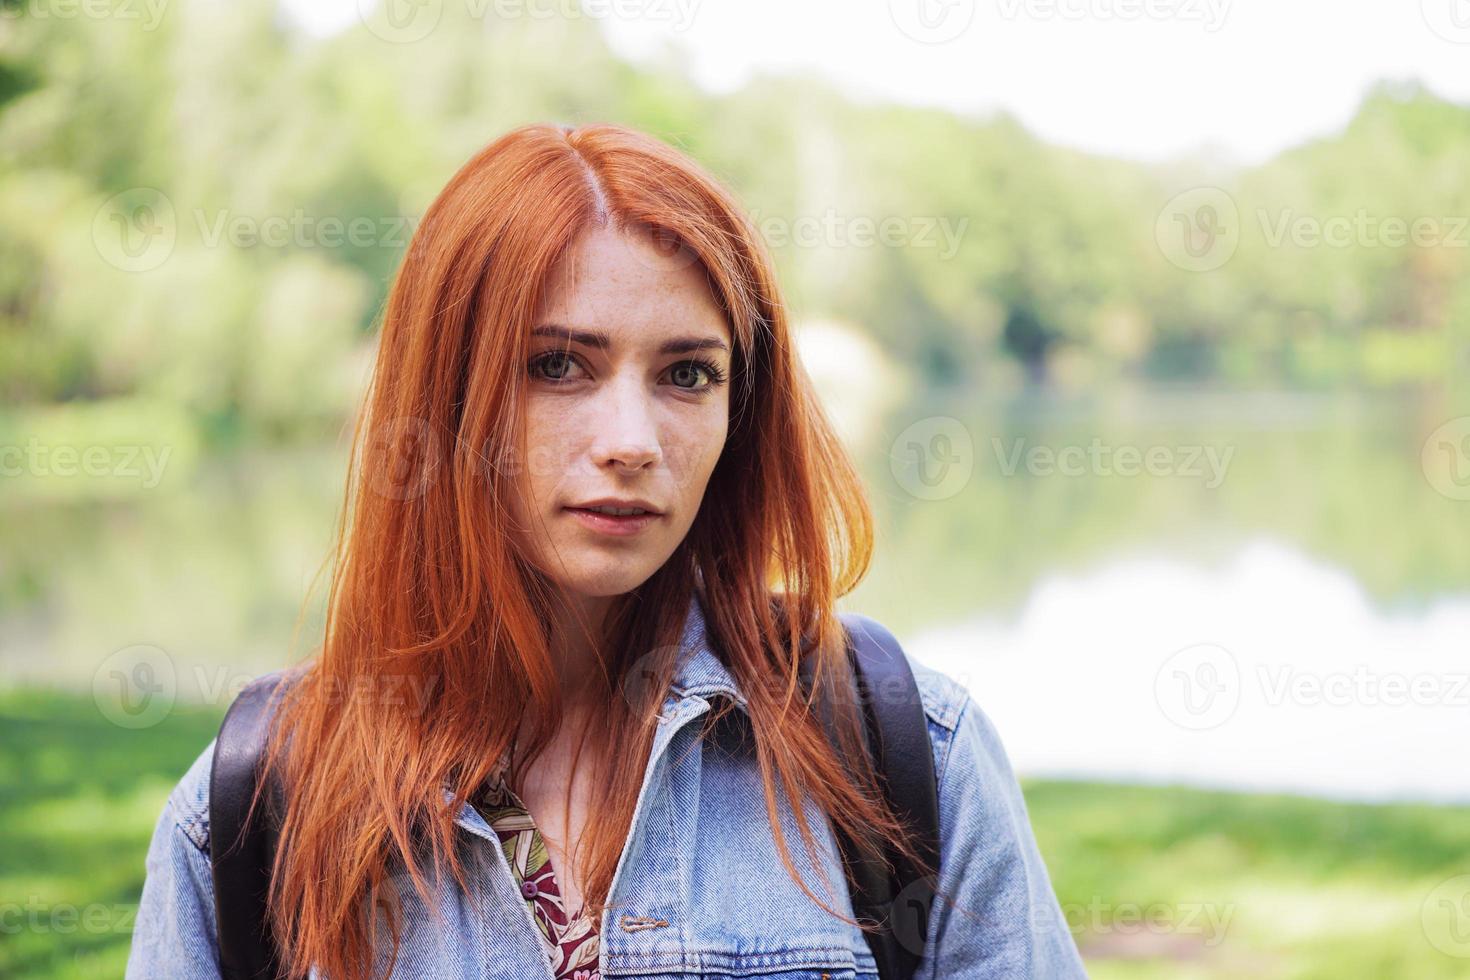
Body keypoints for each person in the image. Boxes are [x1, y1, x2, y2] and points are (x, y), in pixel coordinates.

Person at [125, 122, 1087, 979]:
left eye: (686, 374)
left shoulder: (899, 748)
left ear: (737, 412)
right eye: (556, 365)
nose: (630, 439)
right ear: (444, 400)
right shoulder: (256, 813)